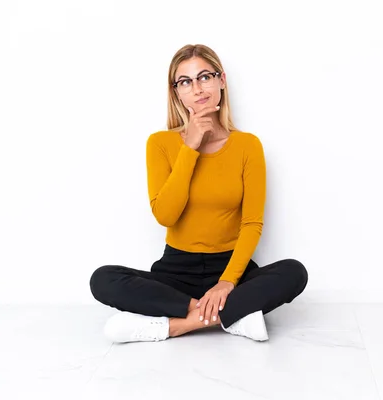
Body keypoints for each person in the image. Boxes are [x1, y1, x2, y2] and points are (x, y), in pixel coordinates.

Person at [89, 44, 308, 344]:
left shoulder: (248, 146)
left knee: (295, 272)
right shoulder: (160, 144)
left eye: (205, 76)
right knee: (102, 279)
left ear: (222, 80)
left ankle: (176, 325)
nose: (197, 88)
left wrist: (227, 283)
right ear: (176, 92)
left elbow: (252, 223)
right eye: (185, 81)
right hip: (175, 272)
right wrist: (190, 147)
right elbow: (165, 215)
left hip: (231, 268)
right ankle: (231, 317)